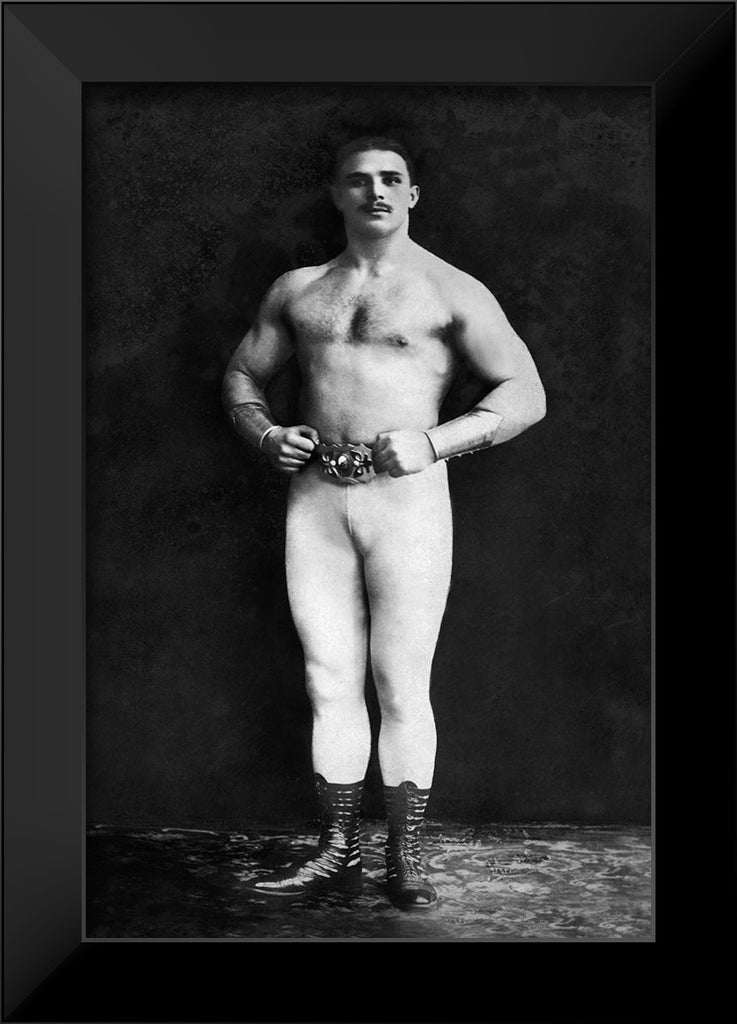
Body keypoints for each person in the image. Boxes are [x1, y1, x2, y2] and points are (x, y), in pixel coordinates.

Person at [222, 136, 546, 907]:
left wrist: (434, 441)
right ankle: (337, 850)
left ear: (411, 195)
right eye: (359, 180)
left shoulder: (450, 290)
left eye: (391, 179)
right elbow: (241, 374)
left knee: (401, 683)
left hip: (407, 505)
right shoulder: (299, 289)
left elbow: (526, 393)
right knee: (327, 678)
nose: (376, 191)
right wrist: (265, 433)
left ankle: (405, 856)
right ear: (335, 193)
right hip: (317, 502)